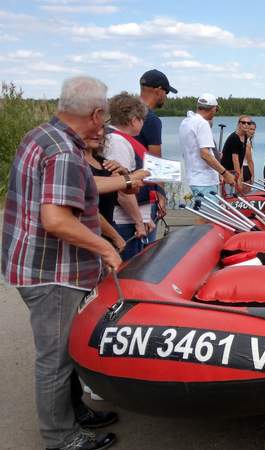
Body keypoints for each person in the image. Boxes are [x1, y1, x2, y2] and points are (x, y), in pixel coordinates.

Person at [2, 76, 121, 450]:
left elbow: (73, 192)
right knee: (55, 360)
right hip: (53, 274)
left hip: (30, 264)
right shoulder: (65, 152)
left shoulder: (42, 135)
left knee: (66, 349)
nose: (103, 125)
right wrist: (105, 249)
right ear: (96, 114)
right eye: (104, 117)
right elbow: (55, 219)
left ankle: (75, 413)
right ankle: (61, 437)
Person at [103, 92, 158, 261]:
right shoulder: (118, 142)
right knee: (131, 267)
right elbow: (122, 189)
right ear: (134, 120)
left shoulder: (119, 139)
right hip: (124, 223)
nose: (142, 123)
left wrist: (144, 217)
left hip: (131, 219)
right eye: (142, 119)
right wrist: (139, 221)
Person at [135, 69, 176, 234]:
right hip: (143, 197)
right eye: (166, 92)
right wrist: (161, 195)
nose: (165, 96)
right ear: (158, 90)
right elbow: (155, 162)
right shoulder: (151, 119)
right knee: (146, 247)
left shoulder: (125, 114)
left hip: (122, 193)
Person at [179, 93, 235, 205]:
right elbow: (205, 154)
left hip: (193, 178)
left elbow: (195, 150)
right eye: (216, 110)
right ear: (213, 108)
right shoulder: (202, 124)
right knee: (211, 215)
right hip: (204, 181)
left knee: (203, 213)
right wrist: (225, 173)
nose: (215, 113)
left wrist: (215, 156)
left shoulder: (186, 122)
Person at [221, 115, 254, 195]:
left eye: (248, 123)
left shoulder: (245, 137)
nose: (246, 125)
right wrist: (239, 179)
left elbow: (241, 160)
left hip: (234, 172)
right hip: (227, 172)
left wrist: (241, 176)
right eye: (243, 122)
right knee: (229, 195)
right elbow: (235, 160)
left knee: (236, 193)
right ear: (239, 124)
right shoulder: (234, 138)